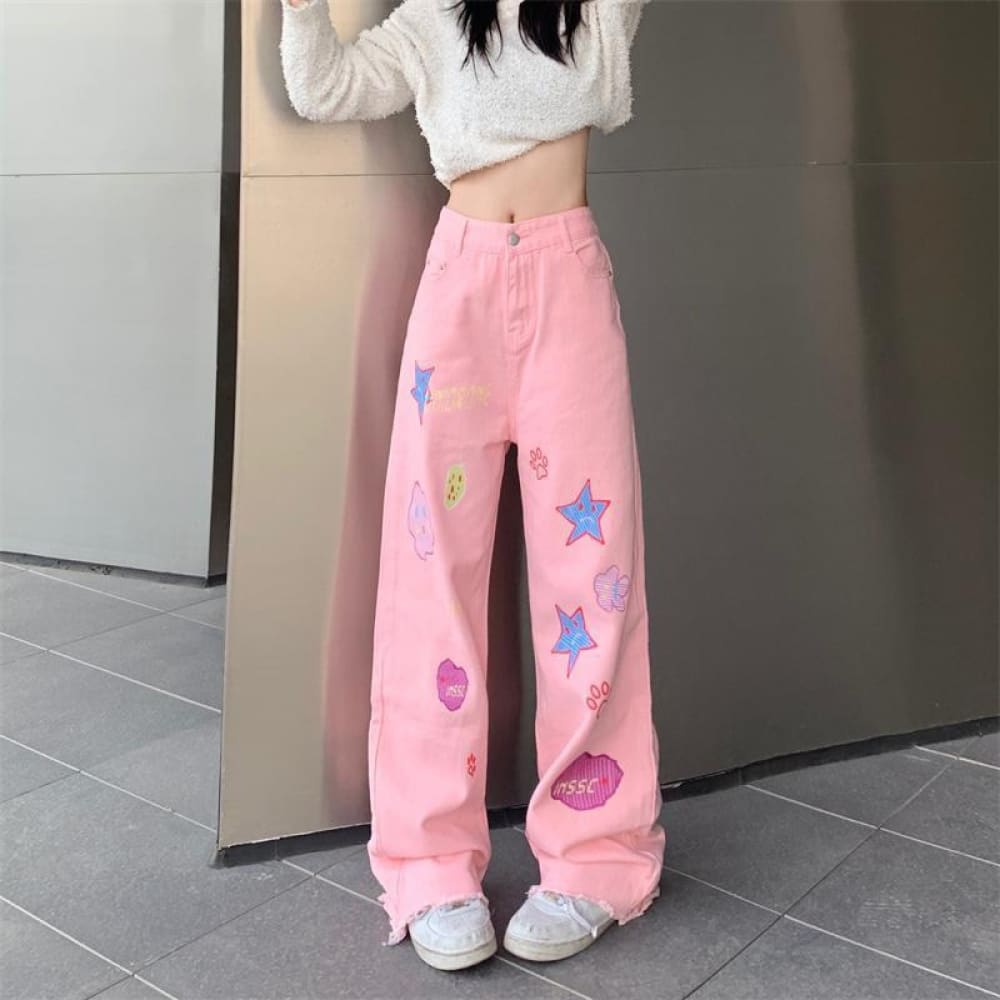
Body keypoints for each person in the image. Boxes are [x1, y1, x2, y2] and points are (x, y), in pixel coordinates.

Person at [278, 0, 665, 972]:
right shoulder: (431, 19)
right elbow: (323, 87)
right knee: (430, 581)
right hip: (458, 288)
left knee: (594, 583)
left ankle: (598, 855)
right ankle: (429, 865)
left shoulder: (593, 13)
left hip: (569, 284)